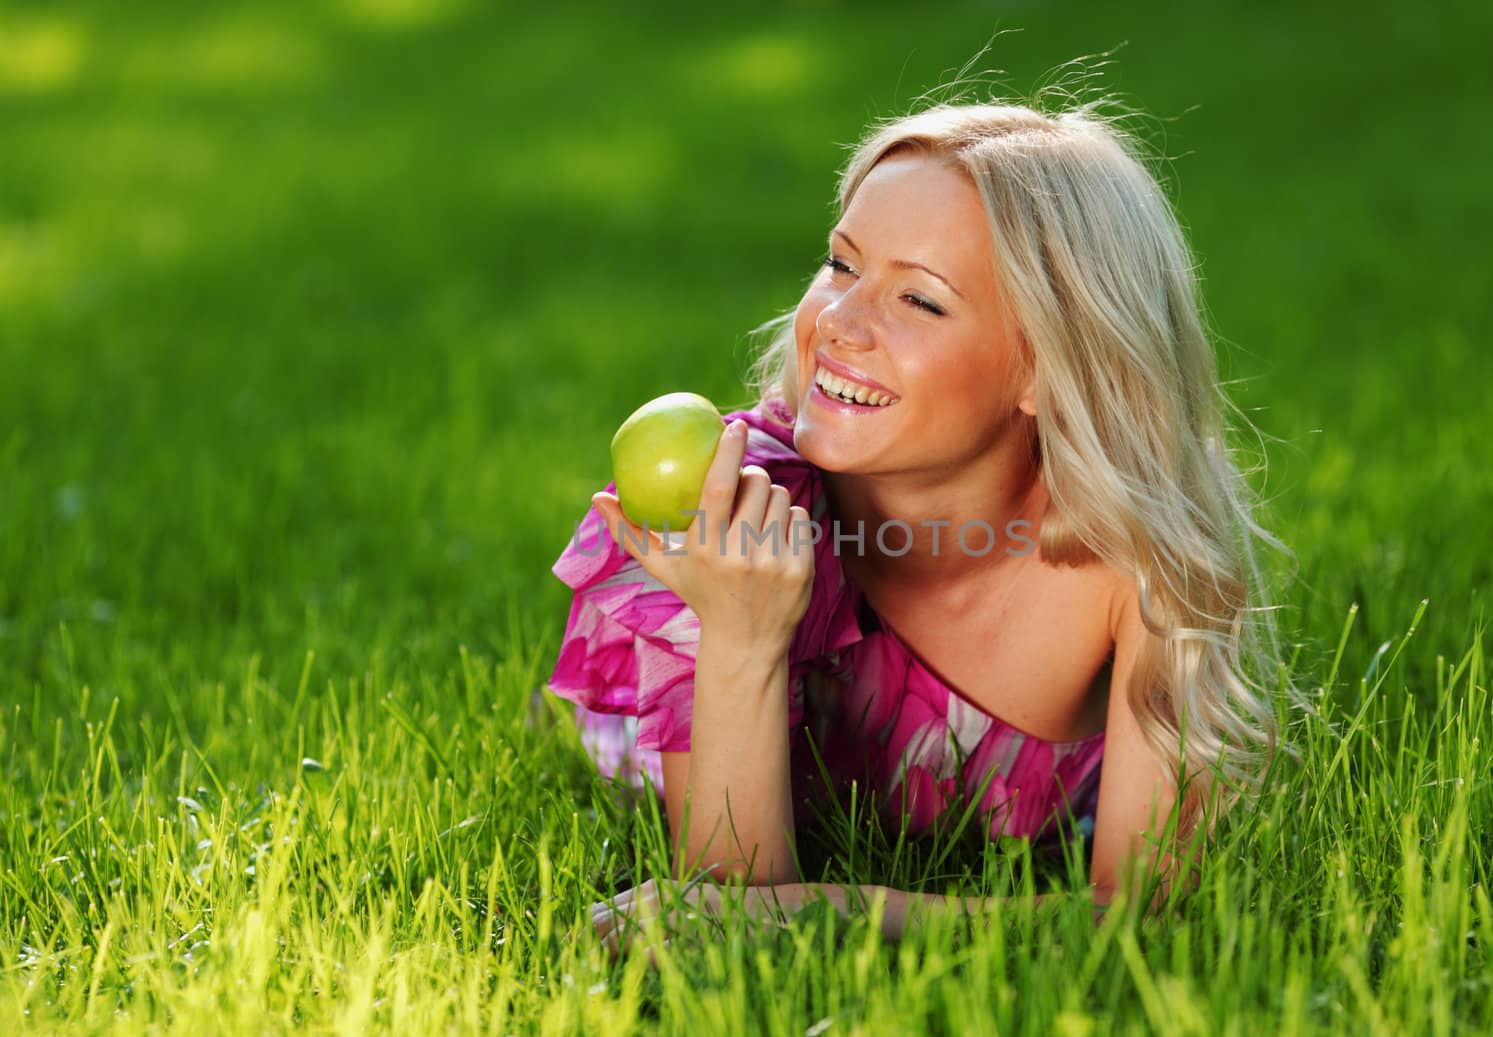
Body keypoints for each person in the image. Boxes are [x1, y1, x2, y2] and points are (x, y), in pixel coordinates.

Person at [547, 93, 1295, 956]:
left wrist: (833, 906)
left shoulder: (1139, 566)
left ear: (1049, 370)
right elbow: (721, 902)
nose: (838, 322)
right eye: (840, 264)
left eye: (922, 301)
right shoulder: (737, 512)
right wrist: (742, 638)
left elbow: (1142, 920)